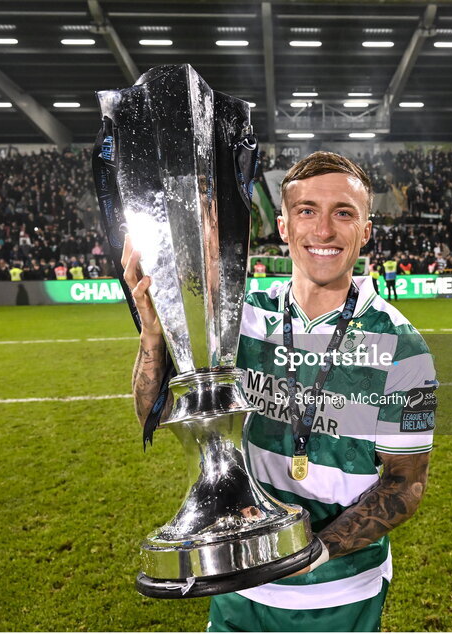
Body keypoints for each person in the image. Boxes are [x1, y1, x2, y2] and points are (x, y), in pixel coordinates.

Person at [123, 152, 436, 632]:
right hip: (238, 582)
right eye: (307, 211)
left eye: (343, 213)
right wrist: (151, 336)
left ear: (366, 230)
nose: (324, 230)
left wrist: (317, 549)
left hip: (339, 595)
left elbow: (405, 484)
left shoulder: (403, 347)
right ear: (285, 227)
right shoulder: (240, 319)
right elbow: (156, 412)